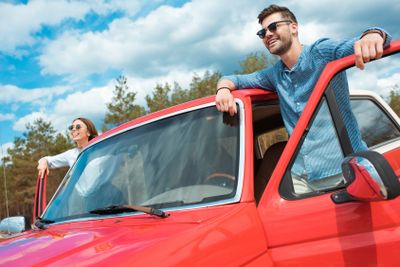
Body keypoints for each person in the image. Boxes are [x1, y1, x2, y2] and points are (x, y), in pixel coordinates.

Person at [215, 4, 392, 193]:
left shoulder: (321, 53)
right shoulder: (275, 75)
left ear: (293, 27)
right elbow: (234, 79)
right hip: (301, 178)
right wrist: (223, 89)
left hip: (347, 171)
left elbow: (368, 40)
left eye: (273, 27)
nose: (267, 34)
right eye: (262, 32)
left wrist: (373, 35)